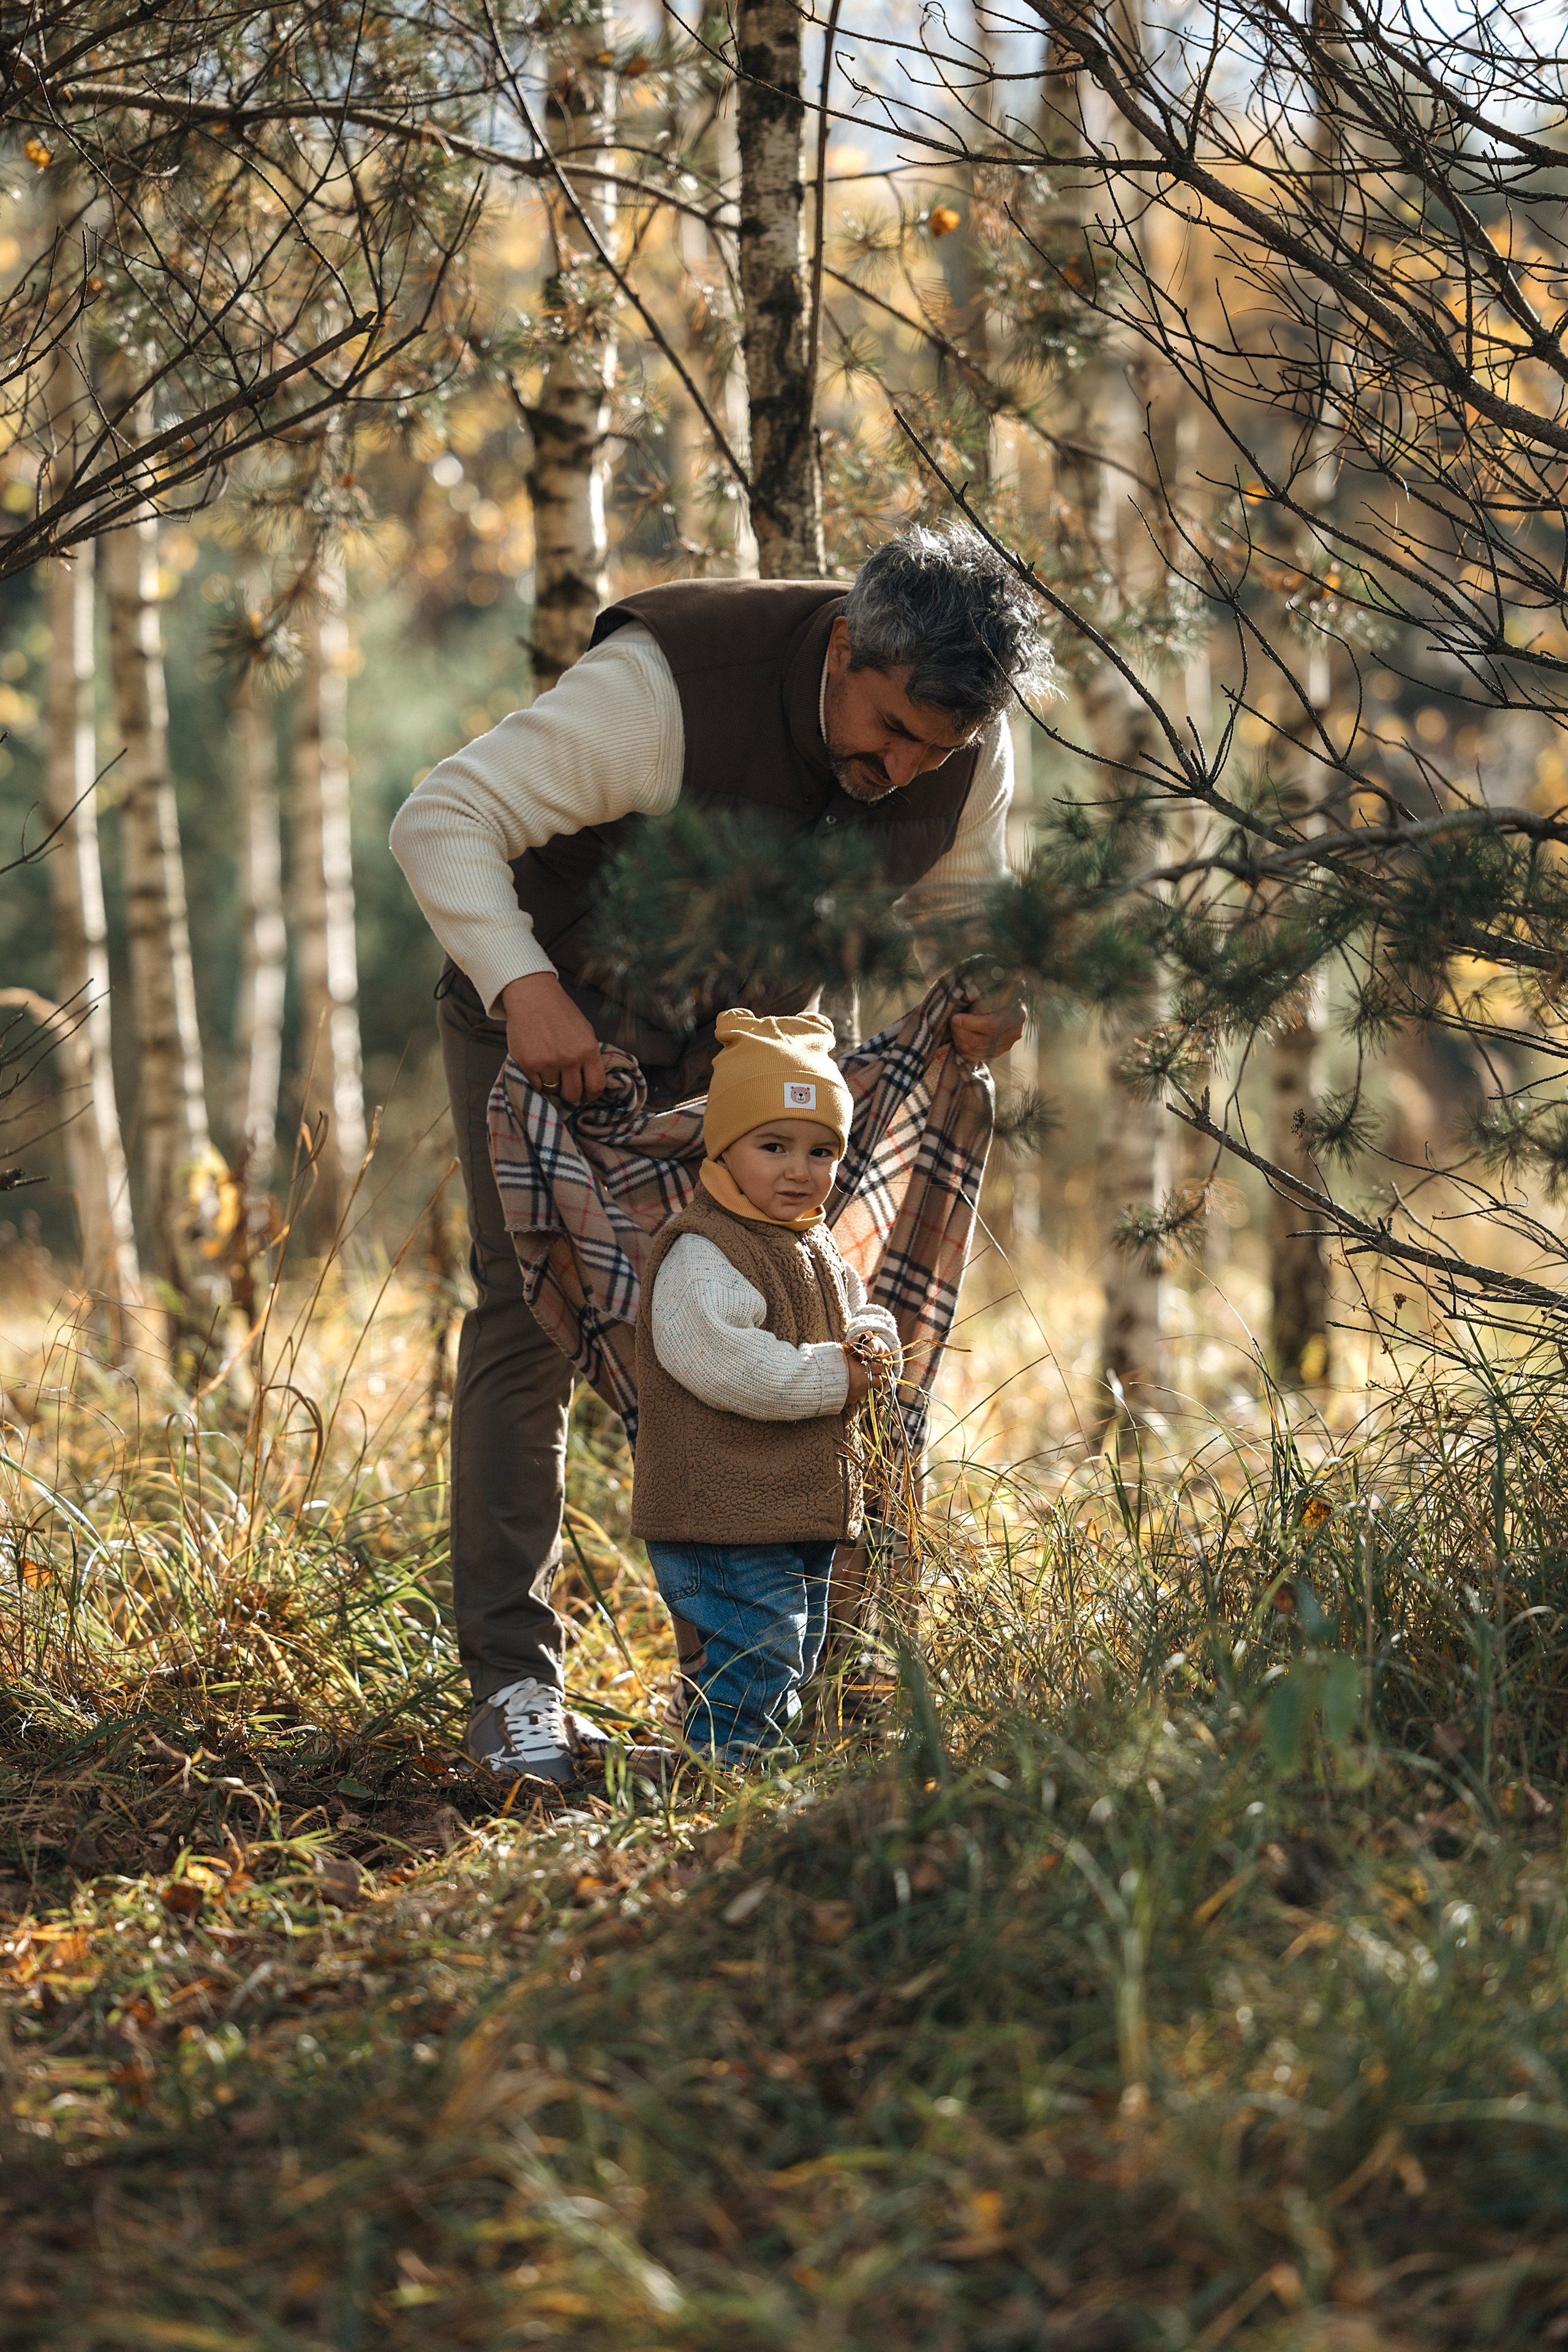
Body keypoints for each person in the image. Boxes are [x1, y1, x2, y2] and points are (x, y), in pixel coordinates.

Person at [390, 522, 1051, 1784]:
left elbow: (971, 901)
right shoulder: (663, 692)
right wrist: (522, 986)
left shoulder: (963, 742)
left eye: (937, 750)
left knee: (798, 1324)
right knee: (522, 1321)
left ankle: (770, 1680)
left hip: (750, 1043)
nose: (905, 767)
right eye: (890, 731)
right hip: (550, 1013)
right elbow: (442, 817)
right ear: (846, 647)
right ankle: (513, 1687)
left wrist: (993, 993)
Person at [630, 1011, 901, 1763]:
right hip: (720, 1507)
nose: (799, 1170)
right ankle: (726, 1780)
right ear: (723, 1148)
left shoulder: (809, 1242)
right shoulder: (703, 1254)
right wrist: (836, 1375)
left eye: (822, 1151)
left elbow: (859, 1308)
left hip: (790, 1502)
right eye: (773, 1146)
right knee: (756, 1658)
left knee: (791, 1651)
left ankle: (745, 1768)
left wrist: (874, 1341)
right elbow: (728, 1364)